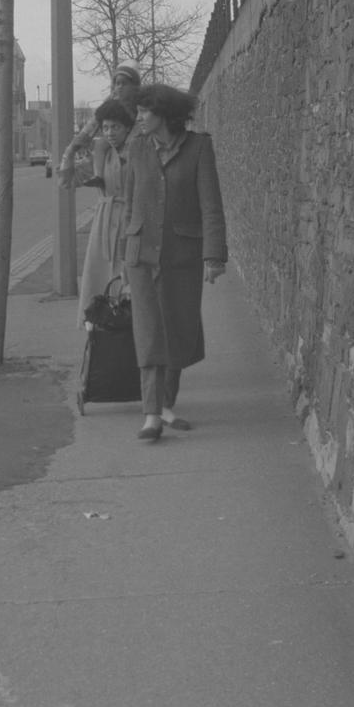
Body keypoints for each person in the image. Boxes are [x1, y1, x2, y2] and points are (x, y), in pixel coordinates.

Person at [121, 84, 227, 441]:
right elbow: (128, 202)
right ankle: (151, 414)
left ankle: (166, 404)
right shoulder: (136, 148)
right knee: (150, 332)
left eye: (144, 112)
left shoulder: (199, 147)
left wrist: (214, 255)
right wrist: (125, 253)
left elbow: (211, 205)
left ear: (164, 114)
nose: (138, 118)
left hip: (182, 257)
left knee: (177, 332)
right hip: (142, 256)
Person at [59, 98, 135, 327]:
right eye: (106, 128)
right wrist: (71, 150)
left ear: (127, 128)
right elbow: (67, 181)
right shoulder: (101, 156)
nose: (110, 133)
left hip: (129, 223)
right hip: (103, 225)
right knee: (100, 282)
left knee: (127, 286)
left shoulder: (137, 153)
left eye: (116, 127)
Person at [64, 59, 142, 156]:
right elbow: (91, 126)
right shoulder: (109, 106)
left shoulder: (142, 106)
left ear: (134, 86)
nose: (120, 87)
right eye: (117, 83)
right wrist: (73, 148)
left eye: (124, 83)